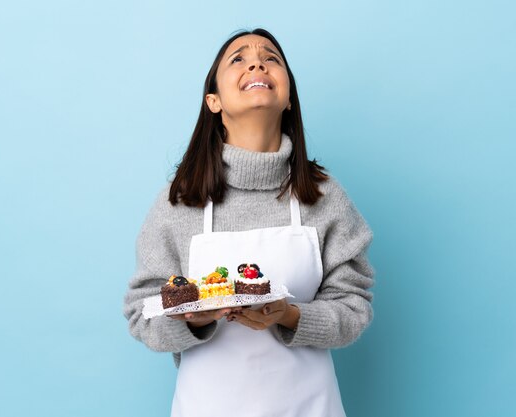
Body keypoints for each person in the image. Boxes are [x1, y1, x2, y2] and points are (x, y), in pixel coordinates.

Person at [123, 28, 375, 417]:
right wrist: (194, 321)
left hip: (309, 407)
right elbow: (142, 312)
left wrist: (289, 315)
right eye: (238, 58)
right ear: (214, 101)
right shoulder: (181, 200)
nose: (257, 62)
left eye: (271, 57)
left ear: (288, 98)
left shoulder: (323, 196)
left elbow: (354, 307)